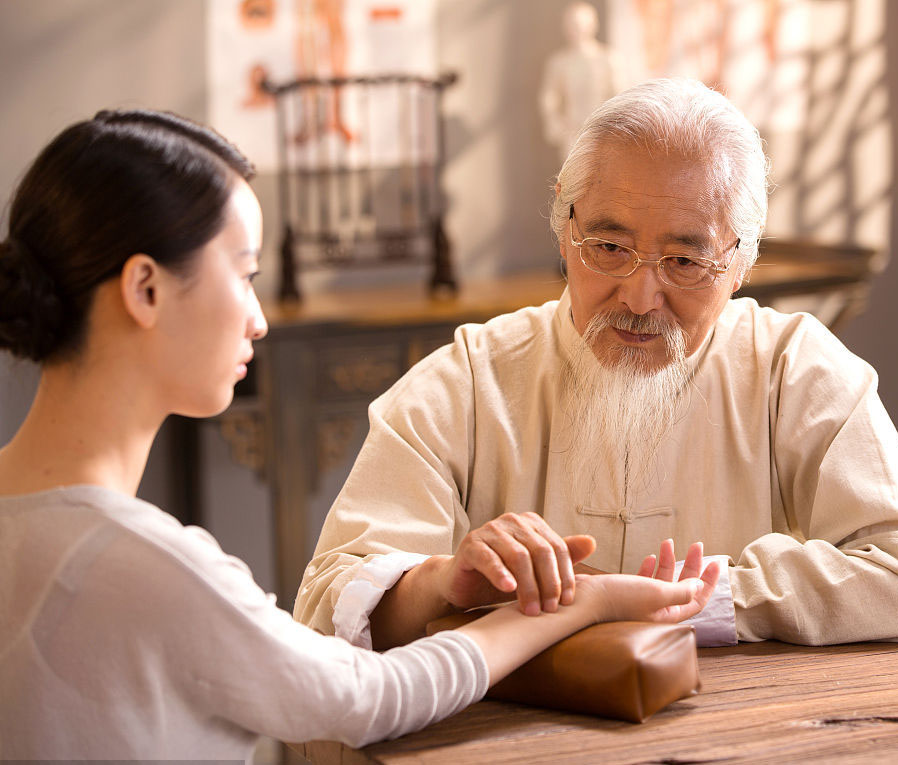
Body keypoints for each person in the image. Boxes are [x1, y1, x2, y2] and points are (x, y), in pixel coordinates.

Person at [0, 109, 718, 760]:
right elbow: (370, 697)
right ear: (145, 289)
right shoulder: (146, 568)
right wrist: (580, 603)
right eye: (244, 276)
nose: (258, 318)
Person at [295, 78, 898, 652]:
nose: (640, 296)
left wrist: (713, 598)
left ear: (742, 262)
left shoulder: (792, 370)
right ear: (563, 225)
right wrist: (439, 581)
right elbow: (325, 607)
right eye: (609, 246)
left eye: (685, 261)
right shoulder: (467, 382)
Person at [538, 1, 622, 161]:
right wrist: (557, 125)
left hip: (602, 132)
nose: (576, 30)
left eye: (580, 24)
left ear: (592, 25)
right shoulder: (559, 62)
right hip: (572, 134)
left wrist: (612, 127)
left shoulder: (609, 59)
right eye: (571, 24)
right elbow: (549, 98)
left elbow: (620, 95)